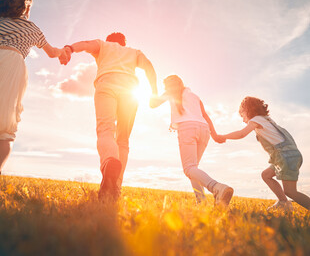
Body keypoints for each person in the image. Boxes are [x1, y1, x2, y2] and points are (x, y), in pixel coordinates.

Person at [64, 32, 158, 201]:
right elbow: (149, 66)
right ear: (124, 43)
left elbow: (85, 44)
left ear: (110, 41)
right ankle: (115, 187)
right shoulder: (134, 52)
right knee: (123, 140)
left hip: (106, 84)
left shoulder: (102, 45)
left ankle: (109, 161)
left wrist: (70, 48)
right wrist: (154, 92)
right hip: (130, 91)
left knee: (105, 130)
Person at [0, 0, 70, 174]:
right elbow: (51, 52)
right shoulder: (32, 29)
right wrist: (63, 53)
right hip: (12, 65)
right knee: (6, 130)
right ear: (26, 7)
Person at [150, 75, 234, 207]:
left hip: (187, 129)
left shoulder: (170, 92)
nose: (165, 88)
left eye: (165, 85)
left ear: (169, 85)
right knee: (193, 169)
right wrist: (215, 134)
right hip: (204, 130)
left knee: (189, 168)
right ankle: (201, 202)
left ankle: (217, 187)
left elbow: (152, 104)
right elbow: (205, 116)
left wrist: (153, 88)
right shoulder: (195, 96)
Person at [218, 96, 310, 211]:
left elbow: (242, 134)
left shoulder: (256, 120)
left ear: (248, 110)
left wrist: (224, 136)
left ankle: (286, 202)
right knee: (266, 175)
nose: (243, 120)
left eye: (242, 115)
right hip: (288, 155)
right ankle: (283, 202)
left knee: (290, 191)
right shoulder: (267, 119)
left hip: (285, 156)